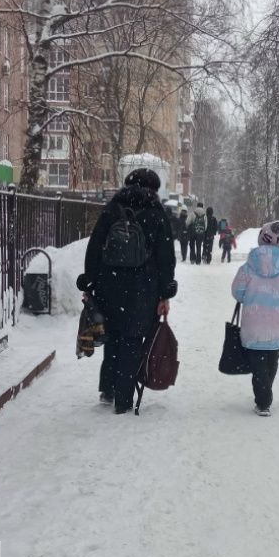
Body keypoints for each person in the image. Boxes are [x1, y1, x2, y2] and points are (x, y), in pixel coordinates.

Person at [78, 169, 177, 414]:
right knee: (132, 340)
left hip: (108, 285)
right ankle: (123, 398)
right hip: (143, 289)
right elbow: (166, 257)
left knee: (112, 335)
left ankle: (108, 389)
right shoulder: (156, 214)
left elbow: (95, 247)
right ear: (154, 189)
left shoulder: (111, 210)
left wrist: (90, 280)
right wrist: (165, 292)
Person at [231, 221, 279, 416]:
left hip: (254, 324)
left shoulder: (249, 266)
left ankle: (263, 401)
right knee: (272, 358)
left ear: (262, 238)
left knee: (258, 363)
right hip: (278, 323)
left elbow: (237, 291)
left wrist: (252, 299)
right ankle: (265, 394)